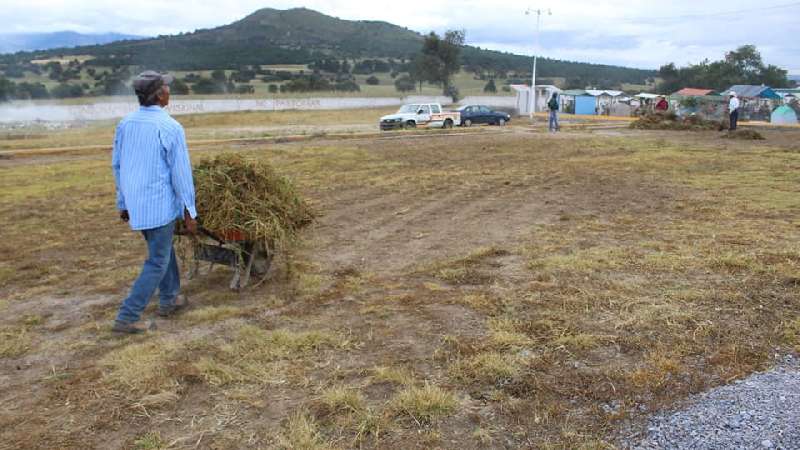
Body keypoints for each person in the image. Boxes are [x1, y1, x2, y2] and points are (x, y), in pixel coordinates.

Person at [111, 71, 198, 334]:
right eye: (166, 87)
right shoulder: (169, 127)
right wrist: (190, 211)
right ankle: (127, 317)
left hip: (137, 205)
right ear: (160, 95)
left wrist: (123, 202)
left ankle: (169, 298)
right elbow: (180, 173)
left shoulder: (126, 124)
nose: (169, 91)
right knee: (157, 261)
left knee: (162, 250)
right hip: (158, 205)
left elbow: (118, 165)